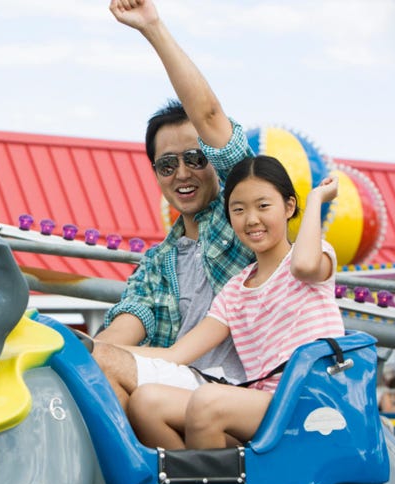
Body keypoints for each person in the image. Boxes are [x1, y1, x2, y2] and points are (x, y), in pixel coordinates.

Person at [116, 156, 345, 449]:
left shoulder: (313, 259)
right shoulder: (236, 290)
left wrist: (315, 199)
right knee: (146, 402)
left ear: (289, 207)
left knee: (207, 401)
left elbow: (303, 266)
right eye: (238, 209)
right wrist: (97, 347)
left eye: (263, 206)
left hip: (308, 399)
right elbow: (176, 354)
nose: (251, 219)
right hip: (257, 406)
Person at [94, 0, 255, 411]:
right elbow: (131, 318)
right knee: (91, 374)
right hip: (176, 388)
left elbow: (209, 113)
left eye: (195, 158)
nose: (181, 173)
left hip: (241, 390)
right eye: (167, 164)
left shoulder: (241, 218)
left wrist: (152, 27)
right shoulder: (157, 263)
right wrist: (87, 353)